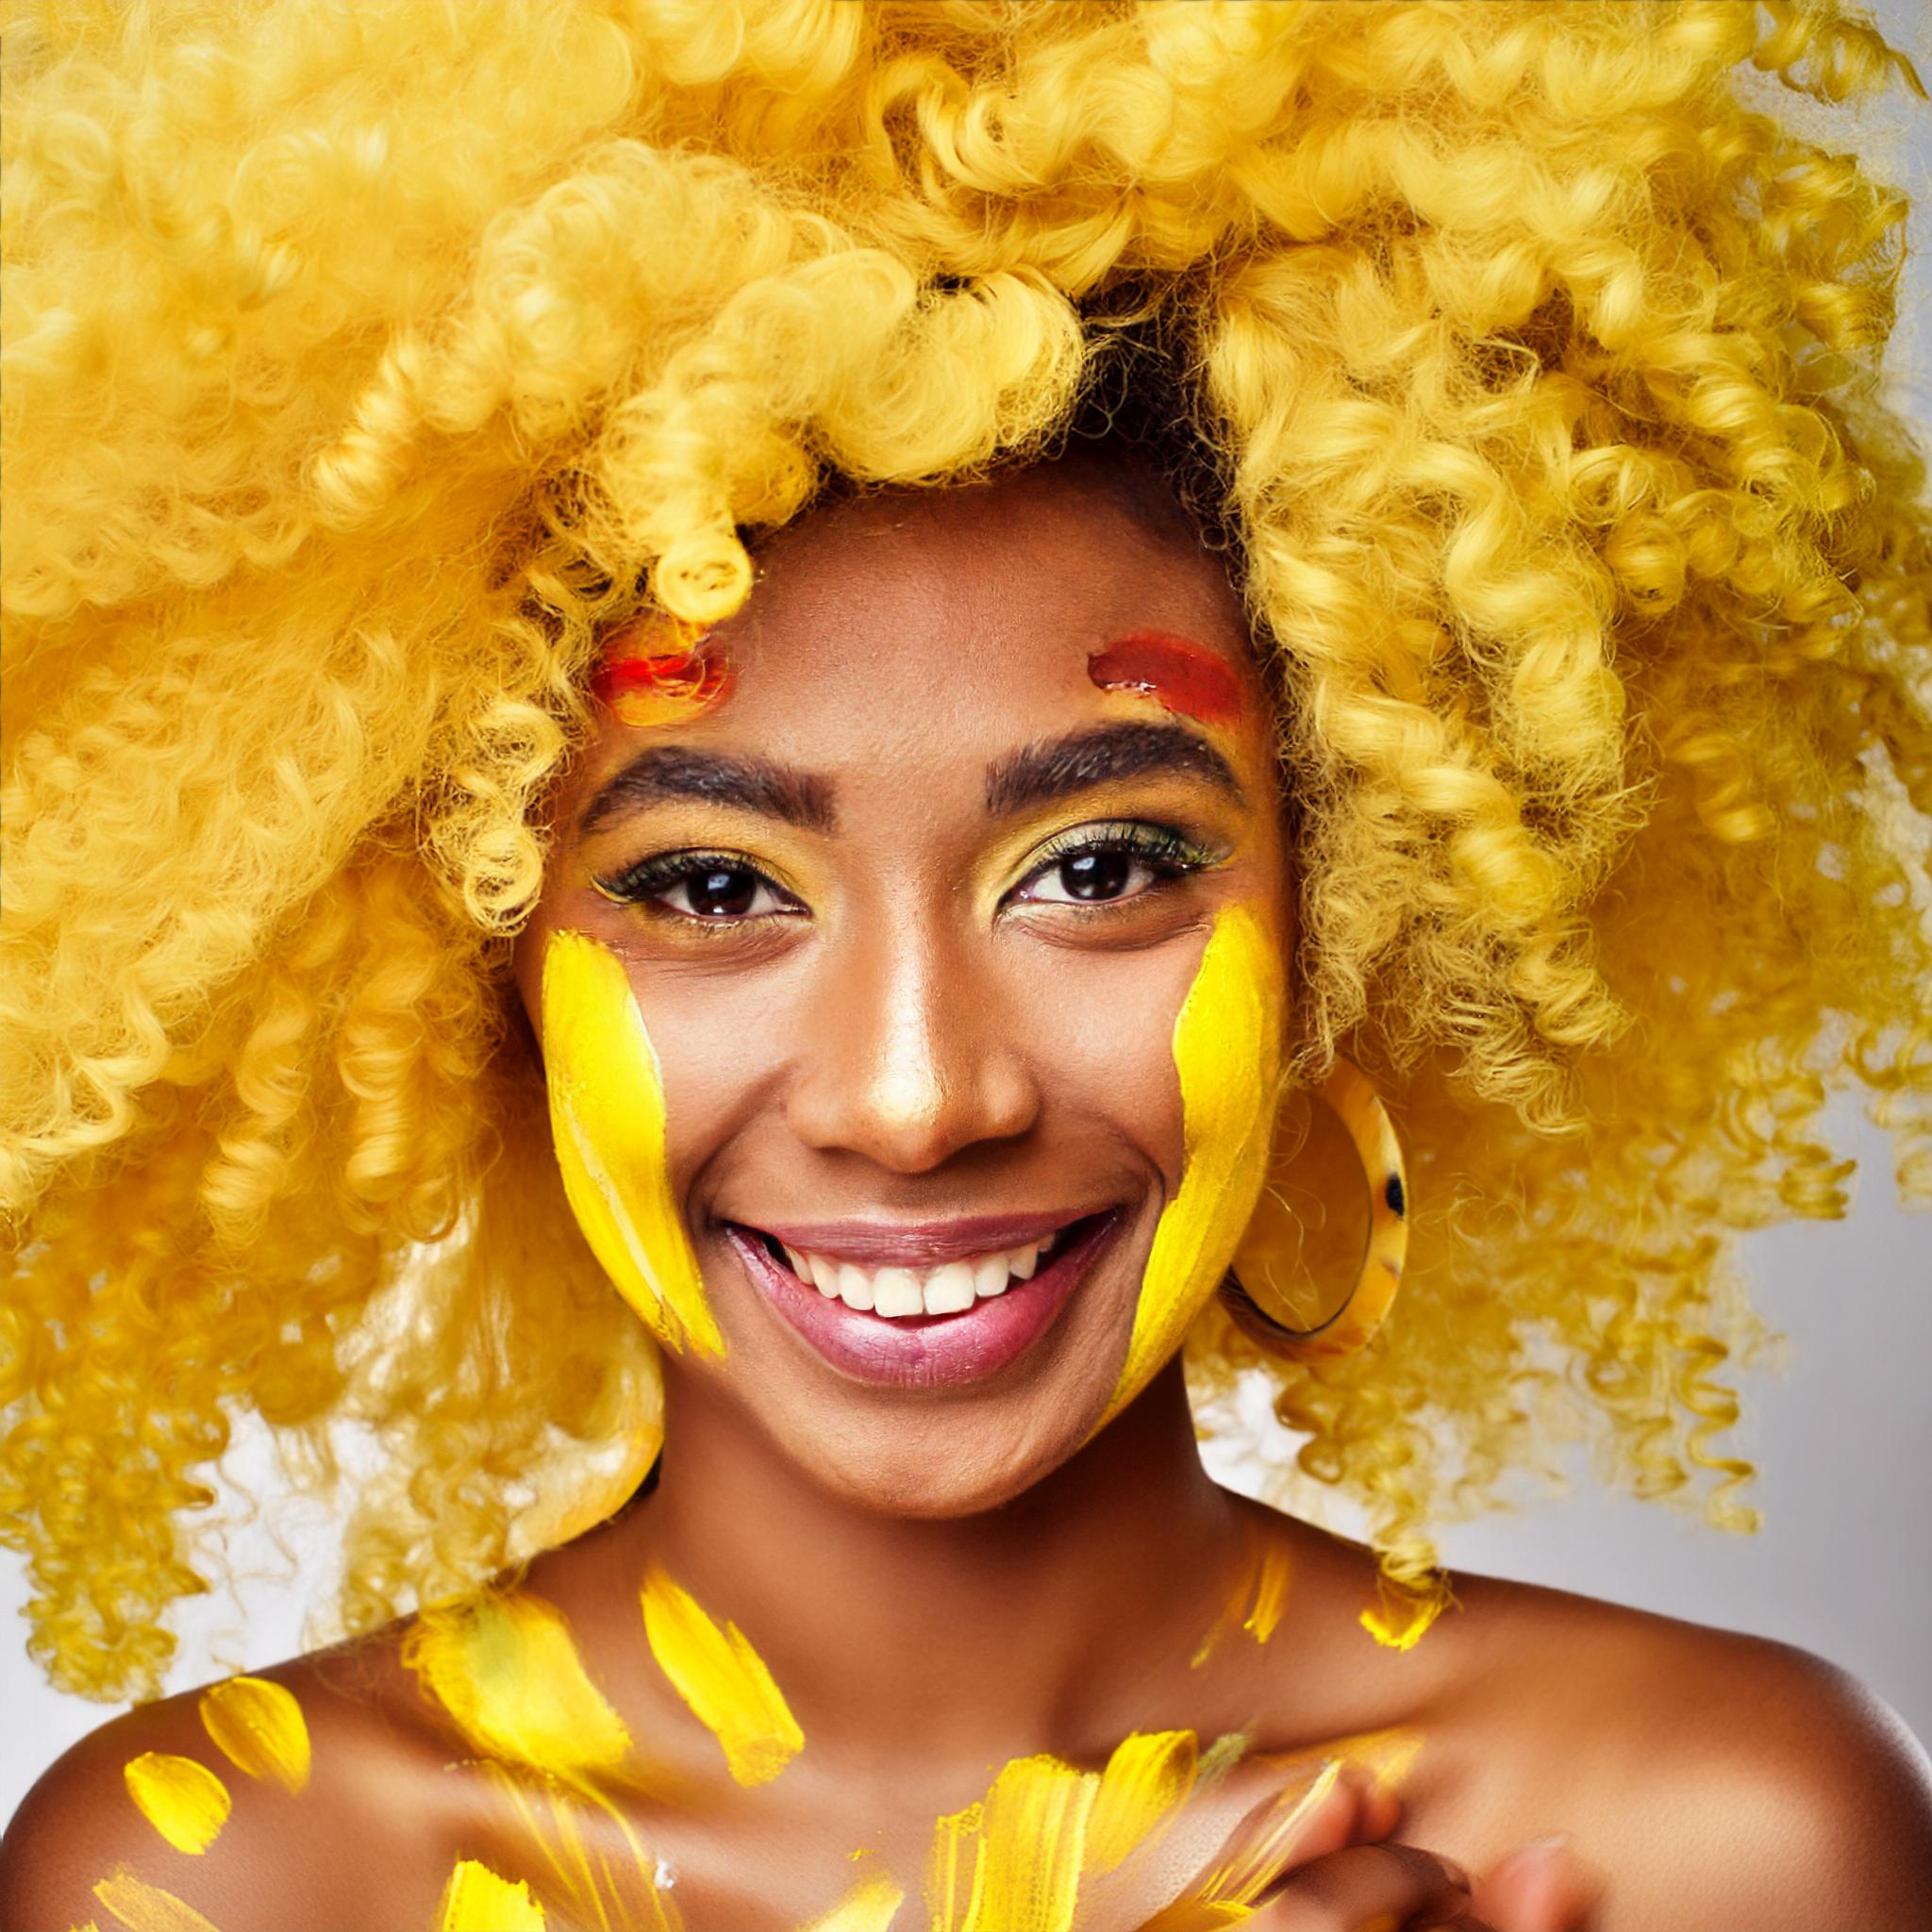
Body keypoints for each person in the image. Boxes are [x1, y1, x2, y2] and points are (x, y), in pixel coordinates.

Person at [3, 3, 1930, 1926]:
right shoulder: (232, 1873)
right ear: (463, 948)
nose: (915, 1098)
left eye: (1096, 866)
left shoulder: (1700, 1841)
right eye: (706, 887)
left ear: (1344, 907)